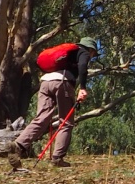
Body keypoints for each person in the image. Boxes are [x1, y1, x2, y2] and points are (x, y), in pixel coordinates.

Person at [8, 37, 99, 169]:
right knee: (66, 122)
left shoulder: (68, 53)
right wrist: (83, 88)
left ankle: (18, 145)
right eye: (93, 54)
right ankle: (57, 158)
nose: (92, 56)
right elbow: (83, 66)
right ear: (90, 49)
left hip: (45, 82)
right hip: (63, 82)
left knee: (41, 118)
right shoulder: (83, 52)